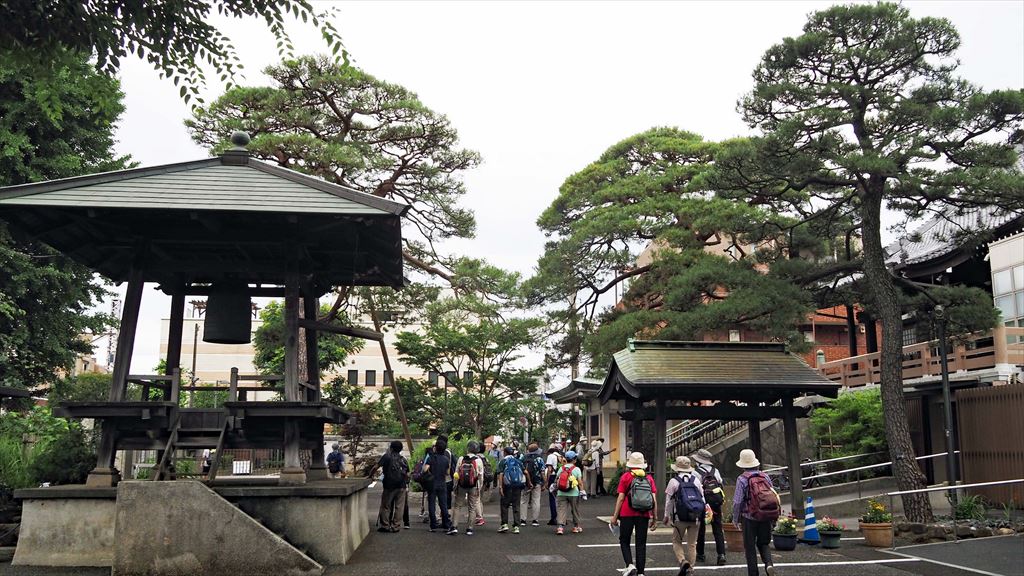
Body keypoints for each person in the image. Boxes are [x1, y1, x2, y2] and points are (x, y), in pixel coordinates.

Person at [610, 451, 657, 576]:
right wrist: (654, 518)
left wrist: (615, 516)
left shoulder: (626, 477)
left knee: (624, 540)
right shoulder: (648, 478)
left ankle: (629, 565)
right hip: (644, 514)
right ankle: (641, 572)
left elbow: (621, 498)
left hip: (627, 513)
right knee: (641, 543)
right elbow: (654, 500)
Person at [733, 449, 777, 576]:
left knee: (750, 547)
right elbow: (773, 494)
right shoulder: (765, 476)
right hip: (765, 515)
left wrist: (735, 519)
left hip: (749, 517)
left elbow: (737, 501)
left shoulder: (742, 479)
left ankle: (753, 573)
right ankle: (768, 564)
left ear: (742, 465)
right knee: (764, 543)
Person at [664, 456, 706, 576]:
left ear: (677, 468)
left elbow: (669, 501)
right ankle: (690, 569)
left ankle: (682, 561)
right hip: (695, 517)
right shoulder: (696, 480)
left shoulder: (674, 481)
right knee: (692, 544)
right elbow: (703, 499)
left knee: (677, 541)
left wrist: (667, 516)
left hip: (680, 517)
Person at [692, 448, 727, 565]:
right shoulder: (715, 471)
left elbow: (695, 488)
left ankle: (700, 554)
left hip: (703, 503)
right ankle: (721, 554)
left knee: (701, 529)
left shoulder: (696, 473)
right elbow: (720, 483)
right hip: (716, 503)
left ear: (699, 461)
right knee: (717, 529)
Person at [372, 440, 409, 533]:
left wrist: (370, 475)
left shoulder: (387, 456)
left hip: (389, 485)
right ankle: (396, 526)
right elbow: (407, 472)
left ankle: (385, 525)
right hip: (401, 485)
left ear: (391, 448)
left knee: (386, 505)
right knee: (399, 507)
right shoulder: (403, 459)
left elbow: (376, 467)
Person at [423, 439, 456, 535]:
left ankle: (433, 525)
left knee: (432, 504)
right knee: (443, 505)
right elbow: (447, 472)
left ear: (435, 448)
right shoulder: (446, 459)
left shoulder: (431, 458)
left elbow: (425, 470)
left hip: (432, 484)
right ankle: (446, 524)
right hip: (442, 483)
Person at [452, 441, 484, 535]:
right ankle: (469, 529)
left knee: (457, 506)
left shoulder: (461, 459)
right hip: (473, 486)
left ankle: (454, 527)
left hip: (461, 485)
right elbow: (481, 476)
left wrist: (455, 486)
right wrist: (479, 487)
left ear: (468, 448)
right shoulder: (478, 460)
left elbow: (456, 474)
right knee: (472, 508)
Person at [496, 446, 529, 533]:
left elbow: (501, 474)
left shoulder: (503, 461)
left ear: (505, 453)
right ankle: (516, 526)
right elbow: (525, 472)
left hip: (507, 486)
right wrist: (529, 483)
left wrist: (500, 487)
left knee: (504, 505)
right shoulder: (518, 461)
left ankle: (504, 524)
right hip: (517, 486)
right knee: (516, 505)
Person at [554, 450, 584, 535]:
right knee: (575, 509)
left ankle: (560, 527)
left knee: (561, 510)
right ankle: (576, 527)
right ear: (574, 459)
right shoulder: (576, 469)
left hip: (561, 492)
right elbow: (580, 482)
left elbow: (556, 479)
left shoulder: (561, 468)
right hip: (573, 493)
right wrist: (582, 491)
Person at [520, 442, 546, 526]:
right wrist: (544, 483)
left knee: (523, 501)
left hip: (525, 482)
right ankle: (535, 520)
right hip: (536, 482)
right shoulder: (539, 459)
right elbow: (542, 472)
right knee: (536, 500)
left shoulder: (523, 458)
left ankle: (523, 520)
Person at [544, 443, 562, 525]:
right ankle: (562, 518)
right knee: (561, 498)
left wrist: (547, 481)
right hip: (561, 477)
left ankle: (554, 518)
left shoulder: (550, 456)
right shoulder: (561, 456)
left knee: (552, 498)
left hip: (553, 477)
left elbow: (550, 469)